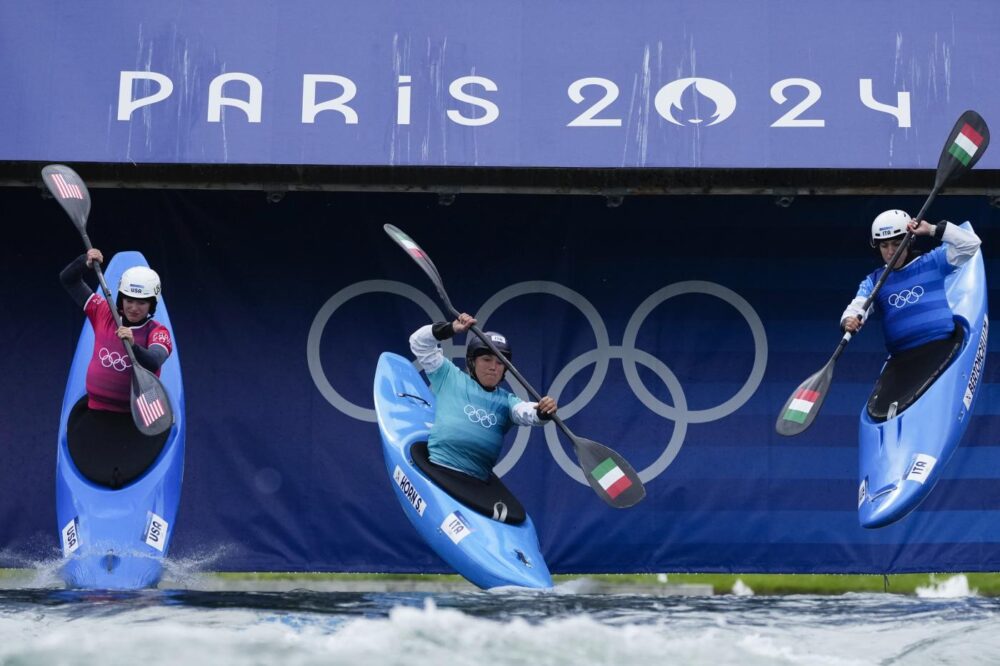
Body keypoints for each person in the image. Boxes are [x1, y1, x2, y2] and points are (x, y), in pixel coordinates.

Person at [409, 313, 557, 481]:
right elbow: (418, 343)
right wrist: (451, 328)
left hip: (477, 482)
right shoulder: (448, 376)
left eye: (500, 363)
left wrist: (542, 411)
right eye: (486, 359)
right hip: (440, 469)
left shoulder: (507, 401)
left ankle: (597, 475)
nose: (494, 367)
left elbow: (528, 412)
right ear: (472, 362)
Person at [841, 209, 981, 354]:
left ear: (909, 240)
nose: (890, 251)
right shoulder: (873, 281)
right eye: (884, 245)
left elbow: (971, 244)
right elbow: (857, 307)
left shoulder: (934, 261)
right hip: (903, 359)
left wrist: (932, 229)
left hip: (942, 347)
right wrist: (848, 320)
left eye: (896, 244)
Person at [60, 248, 173, 416]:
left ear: (151, 304)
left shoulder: (157, 331)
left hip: (138, 416)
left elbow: (154, 361)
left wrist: (134, 346)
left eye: (142, 303)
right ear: (121, 299)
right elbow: (69, 280)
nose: (134, 308)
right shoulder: (103, 311)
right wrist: (84, 262)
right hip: (96, 410)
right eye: (129, 300)